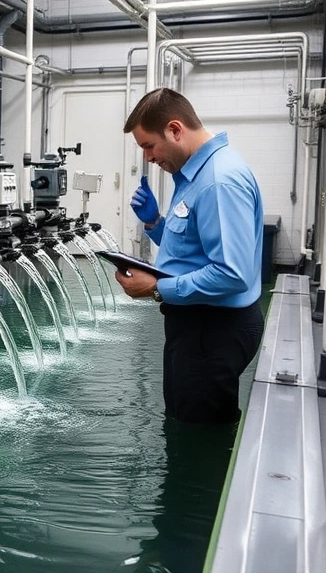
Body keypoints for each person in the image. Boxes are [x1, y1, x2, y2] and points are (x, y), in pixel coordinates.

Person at [116, 87, 265, 424]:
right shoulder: (194, 175)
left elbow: (231, 273)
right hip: (199, 327)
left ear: (175, 130)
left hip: (213, 330)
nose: (149, 158)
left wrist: (155, 288)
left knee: (199, 435)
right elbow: (193, 246)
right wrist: (155, 223)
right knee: (184, 418)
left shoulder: (218, 181)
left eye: (149, 146)